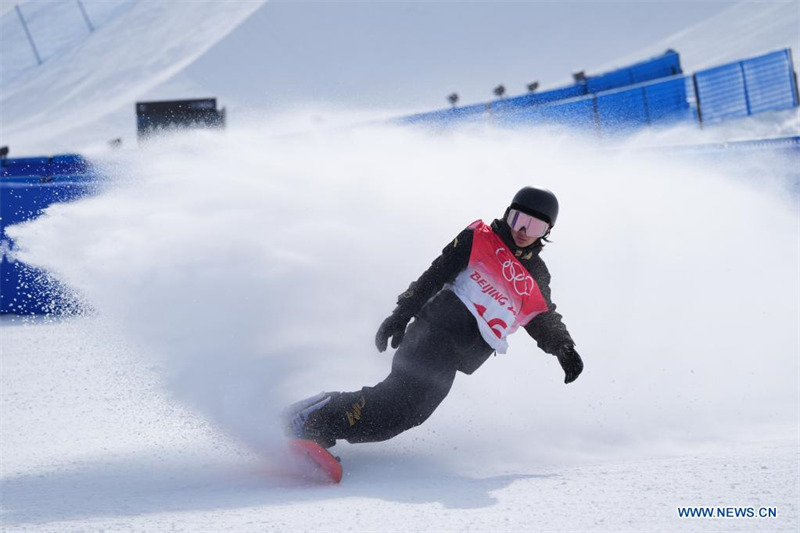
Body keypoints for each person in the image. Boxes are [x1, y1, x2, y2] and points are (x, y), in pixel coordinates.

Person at [286, 186, 583, 448]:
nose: (523, 231)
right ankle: (313, 420)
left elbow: (543, 316)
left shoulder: (535, 274)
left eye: (535, 226)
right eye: (518, 220)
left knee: (407, 415)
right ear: (507, 215)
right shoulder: (480, 240)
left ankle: (319, 422)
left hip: (455, 356)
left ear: (546, 233)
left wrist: (563, 347)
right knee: (396, 403)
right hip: (433, 334)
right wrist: (401, 315)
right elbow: (434, 275)